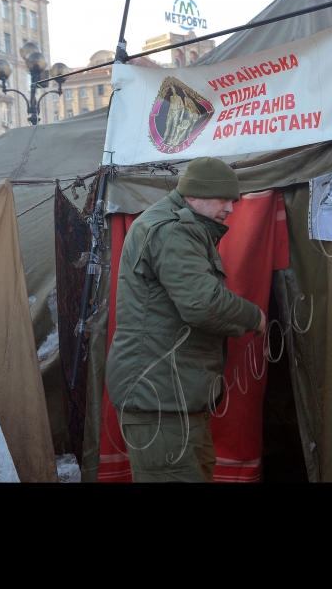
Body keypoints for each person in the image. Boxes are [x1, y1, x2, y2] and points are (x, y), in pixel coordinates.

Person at [105, 157, 266, 483]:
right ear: (196, 194)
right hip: (160, 402)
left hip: (169, 398)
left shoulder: (172, 224)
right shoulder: (174, 230)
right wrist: (255, 317)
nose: (230, 209)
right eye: (224, 199)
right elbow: (202, 302)